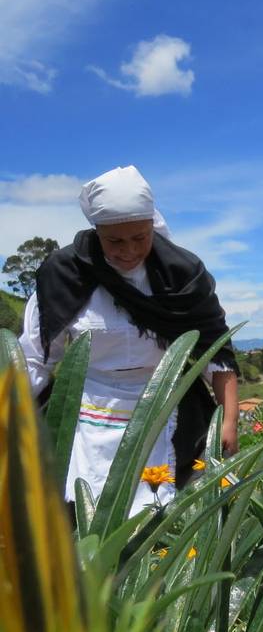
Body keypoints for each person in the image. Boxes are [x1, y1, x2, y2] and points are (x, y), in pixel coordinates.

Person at [19, 165, 239, 512]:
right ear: (96, 231)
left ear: (152, 225)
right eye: (115, 241)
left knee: (163, 511)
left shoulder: (180, 278)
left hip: (164, 407)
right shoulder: (65, 278)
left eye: (139, 238)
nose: (128, 251)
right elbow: (37, 358)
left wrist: (229, 421)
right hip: (87, 412)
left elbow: (217, 353)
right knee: (82, 507)